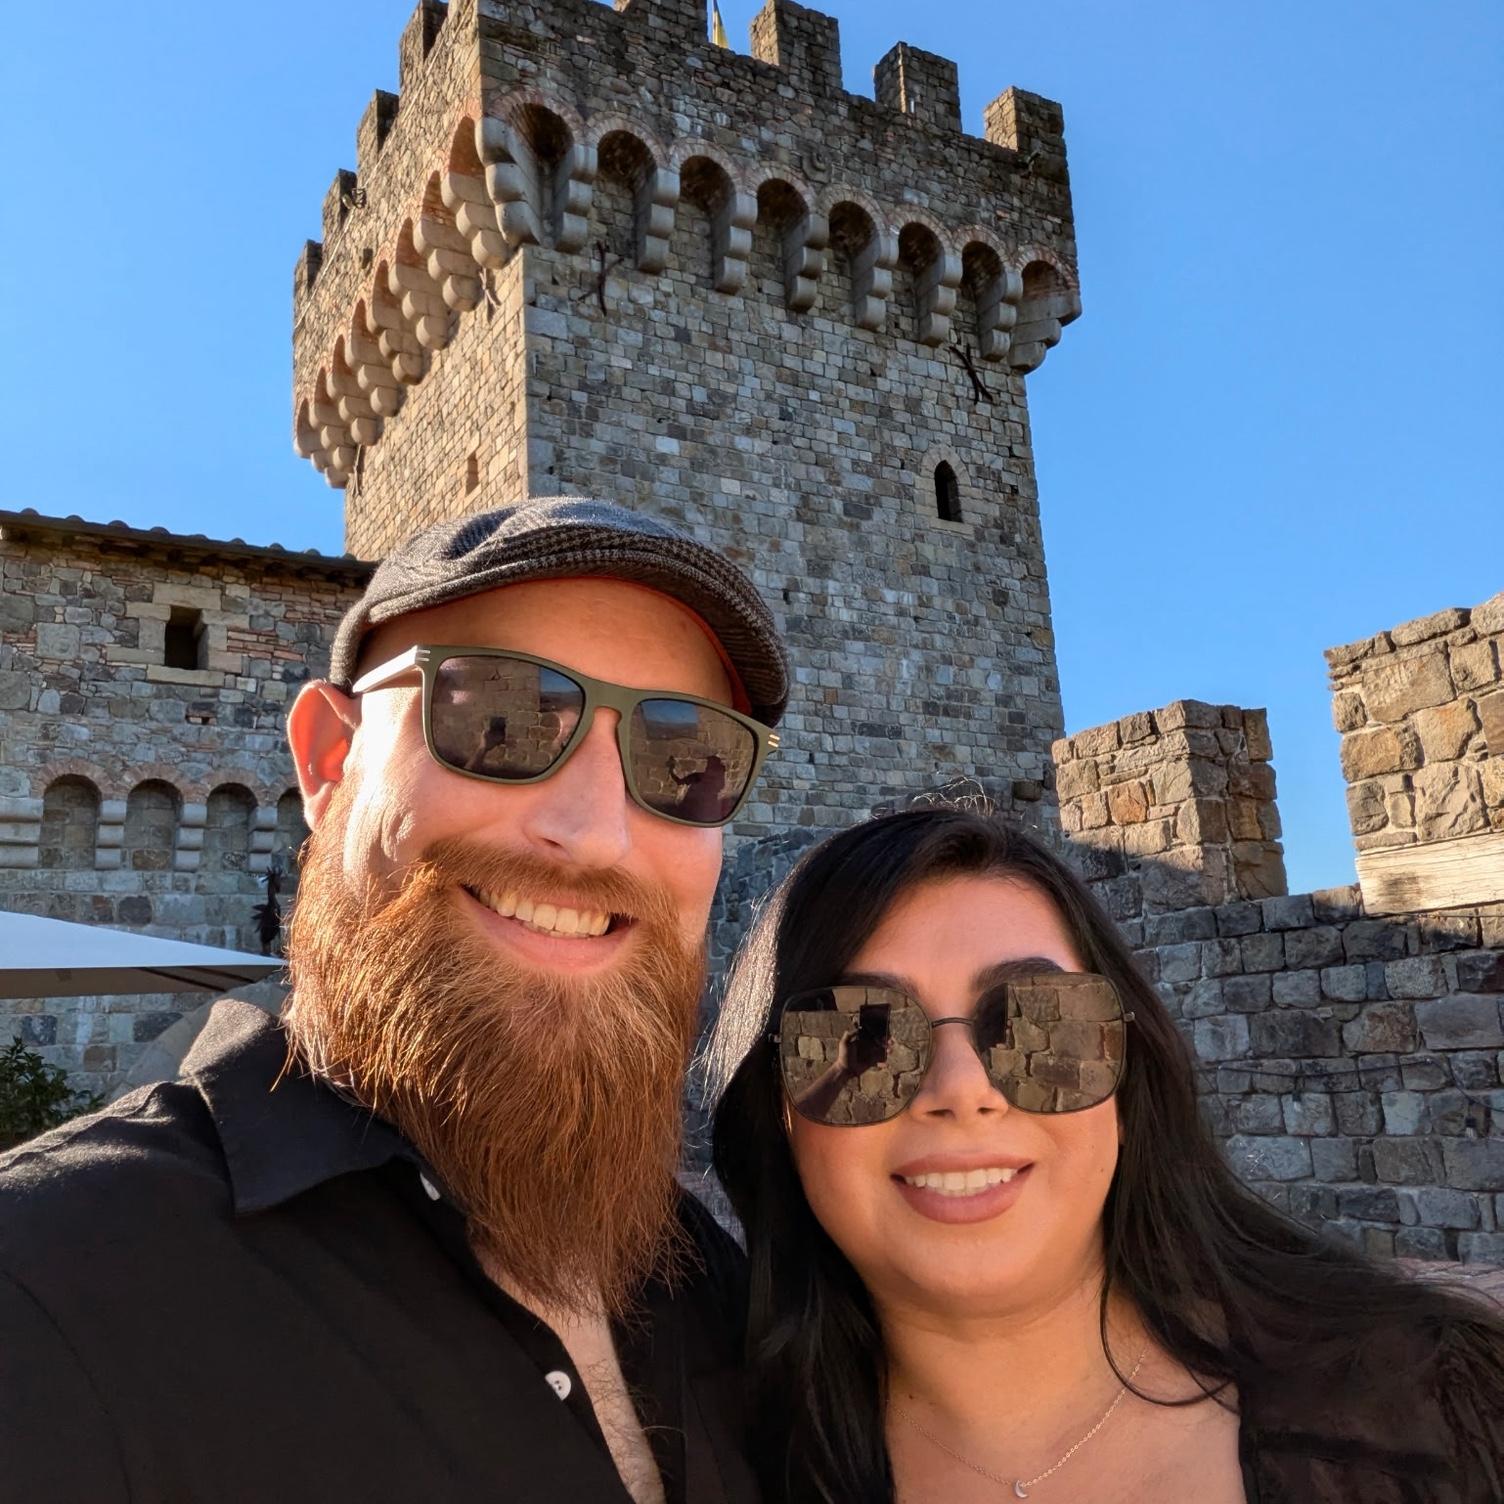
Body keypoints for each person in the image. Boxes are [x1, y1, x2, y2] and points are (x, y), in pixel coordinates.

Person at [0, 495, 788, 1504]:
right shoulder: (47, 1293)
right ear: (330, 761)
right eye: (494, 713)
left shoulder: (719, 1290)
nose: (597, 831)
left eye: (686, 759)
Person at [708, 807, 1504, 1504]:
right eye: (860, 1035)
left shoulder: (1455, 1410)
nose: (962, 1088)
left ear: (1126, 1074)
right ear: (776, 1110)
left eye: (1040, 1020)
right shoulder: (708, 1465)